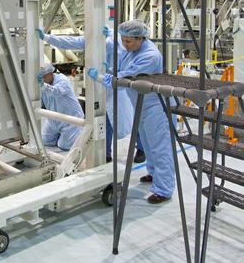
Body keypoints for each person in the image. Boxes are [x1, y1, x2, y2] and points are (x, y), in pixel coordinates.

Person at [87, 19, 175, 204]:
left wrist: (102, 77)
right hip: (141, 104)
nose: (124, 44)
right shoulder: (132, 49)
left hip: (156, 106)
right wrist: (111, 68)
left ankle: (164, 189)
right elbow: (123, 67)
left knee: (160, 147)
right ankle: (153, 174)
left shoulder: (150, 55)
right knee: (148, 144)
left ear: (140, 38)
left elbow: (125, 78)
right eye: (123, 40)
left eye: (128, 41)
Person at [37, 27, 144, 163]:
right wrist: (47, 37)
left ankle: (142, 149)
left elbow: (123, 56)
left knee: (134, 117)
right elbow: (69, 42)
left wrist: (110, 66)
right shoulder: (91, 40)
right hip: (101, 86)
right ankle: (106, 153)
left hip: (122, 84)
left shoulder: (115, 40)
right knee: (105, 121)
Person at [38, 63, 84, 151]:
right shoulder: (43, 85)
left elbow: (55, 91)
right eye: (41, 77)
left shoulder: (63, 80)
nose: (43, 79)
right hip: (53, 120)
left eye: (44, 76)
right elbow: (40, 101)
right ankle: (62, 135)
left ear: (51, 73)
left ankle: (77, 132)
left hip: (70, 120)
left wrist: (42, 85)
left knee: (65, 146)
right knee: (45, 141)